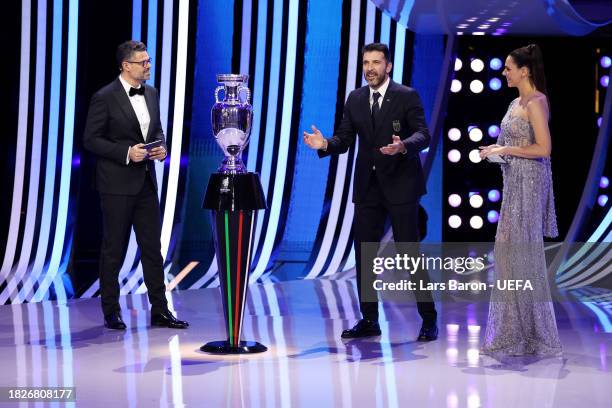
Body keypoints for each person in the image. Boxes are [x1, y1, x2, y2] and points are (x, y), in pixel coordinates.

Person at [303, 43, 438, 341]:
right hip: (368, 187)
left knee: (409, 253)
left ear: (388, 66)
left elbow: (423, 134)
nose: (370, 68)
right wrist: (325, 144)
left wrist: (403, 145)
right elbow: (344, 139)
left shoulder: (406, 95)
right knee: (364, 254)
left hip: (402, 185)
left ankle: (429, 319)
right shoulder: (355, 98)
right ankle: (369, 320)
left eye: (376, 62)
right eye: (366, 63)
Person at [83, 40, 188, 330]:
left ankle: (160, 310)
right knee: (113, 249)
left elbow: (156, 129)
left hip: (145, 183)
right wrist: (126, 153)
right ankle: (111, 311)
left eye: (149, 60)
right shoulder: (104, 97)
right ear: (126, 65)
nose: (148, 66)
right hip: (116, 184)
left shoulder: (151, 93)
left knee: (152, 248)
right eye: (143, 62)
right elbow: (91, 139)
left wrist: (161, 148)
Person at [479, 44, 562, 357]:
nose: (504, 73)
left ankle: (533, 335)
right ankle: (513, 333)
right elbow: (508, 145)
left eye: (508, 68)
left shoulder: (536, 101)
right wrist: (493, 151)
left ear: (524, 71)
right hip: (513, 183)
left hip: (530, 184)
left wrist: (506, 151)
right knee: (507, 255)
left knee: (521, 256)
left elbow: (544, 149)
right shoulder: (515, 102)